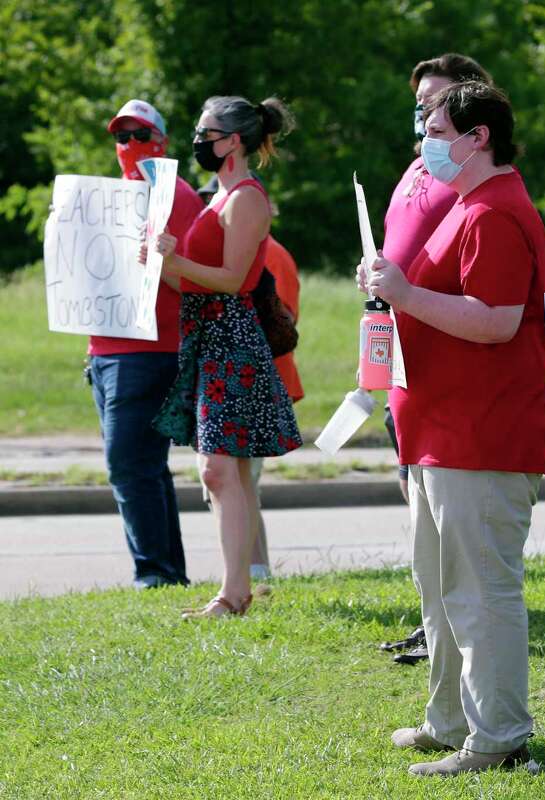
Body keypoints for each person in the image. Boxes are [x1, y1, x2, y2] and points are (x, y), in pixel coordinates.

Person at [365, 81, 545, 777]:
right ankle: (449, 722)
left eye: (440, 127)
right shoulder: (470, 204)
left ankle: (499, 739)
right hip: (443, 432)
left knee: (480, 594)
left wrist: (407, 293)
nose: (427, 138)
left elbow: (498, 318)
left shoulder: (497, 211)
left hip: (483, 435)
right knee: (444, 591)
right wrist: (391, 284)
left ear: (479, 137)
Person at [146, 96, 302, 618]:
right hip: (208, 335)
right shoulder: (221, 197)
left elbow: (234, 280)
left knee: (219, 469)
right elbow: (191, 278)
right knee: (222, 470)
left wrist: (175, 259)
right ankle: (236, 589)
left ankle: (234, 593)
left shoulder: (248, 199)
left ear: (233, 140)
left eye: (206, 132)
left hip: (232, 337)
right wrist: (157, 263)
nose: (199, 140)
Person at [371, 53, 493, 665]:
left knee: (456, 533)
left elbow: (491, 309)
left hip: (449, 367)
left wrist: (407, 291)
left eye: (437, 106)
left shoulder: (474, 185)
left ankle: (451, 641)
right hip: (401, 350)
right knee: (417, 503)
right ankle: (433, 626)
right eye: (420, 105)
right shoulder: (417, 168)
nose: (424, 117)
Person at [91, 99, 205, 589]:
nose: (129, 145)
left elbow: (200, 282)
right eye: (122, 136)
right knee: (145, 467)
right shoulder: (112, 195)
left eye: (140, 135)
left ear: (161, 141)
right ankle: (167, 572)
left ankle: (154, 574)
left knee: (128, 464)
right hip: (106, 351)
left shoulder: (174, 195)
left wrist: (161, 259)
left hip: (149, 350)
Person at [197, 176, 305, 585]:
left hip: (260, 380)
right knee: (226, 480)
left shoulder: (271, 254)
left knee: (241, 481)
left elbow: (284, 321)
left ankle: (252, 570)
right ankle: (246, 569)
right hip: (227, 380)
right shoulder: (219, 252)